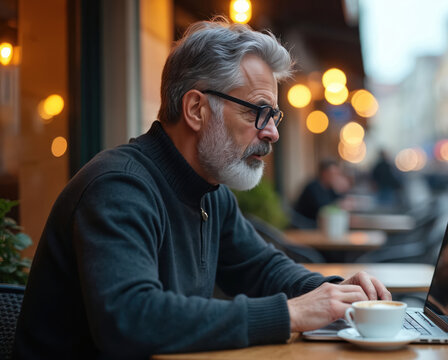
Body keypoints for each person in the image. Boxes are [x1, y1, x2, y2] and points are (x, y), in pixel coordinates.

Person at [14, 19, 390, 358]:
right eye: (257, 111)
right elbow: (130, 319)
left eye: (274, 116)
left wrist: (337, 294)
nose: (272, 132)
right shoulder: (118, 187)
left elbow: (262, 269)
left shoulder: (210, 191)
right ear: (196, 109)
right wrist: (291, 313)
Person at [293, 159, 350, 226]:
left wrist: (342, 190)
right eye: (333, 174)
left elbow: (338, 198)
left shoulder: (329, 187)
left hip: (319, 226)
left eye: (337, 174)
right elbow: (323, 209)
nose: (335, 177)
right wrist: (339, 204)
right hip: (305, 227)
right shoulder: (312, 187)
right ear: (324, 173)